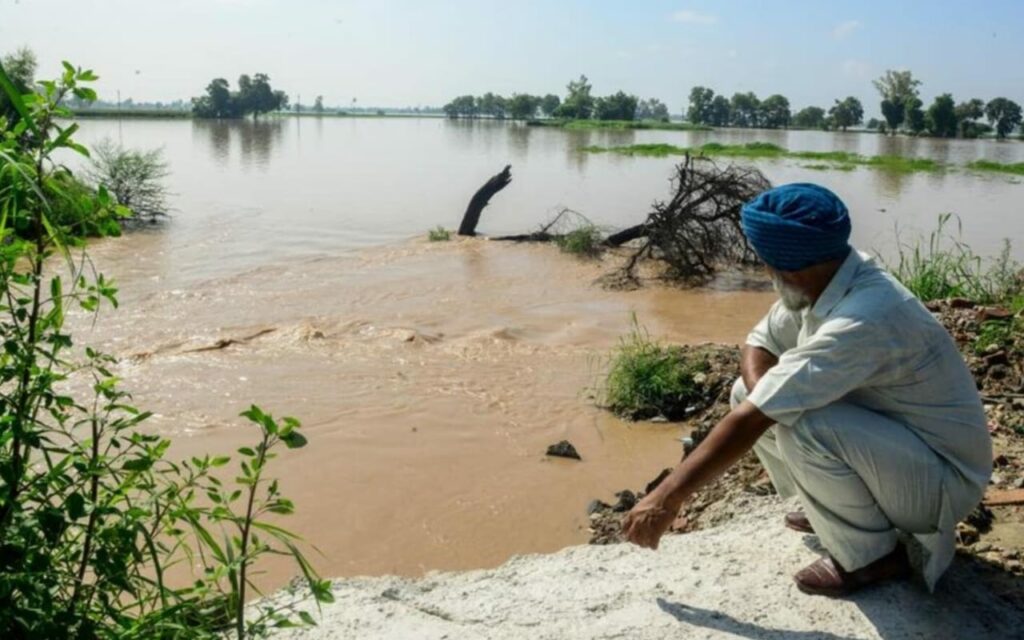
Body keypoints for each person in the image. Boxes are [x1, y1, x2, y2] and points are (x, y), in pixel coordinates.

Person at [620, 183, 992, 597]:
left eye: (766, 263)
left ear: (787, 270)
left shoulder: (865, 317)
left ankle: (872, 557)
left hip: (943, 483)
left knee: (801, 421)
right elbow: (758, 342)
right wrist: (770, 400)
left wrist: (666, 498)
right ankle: (825, 507)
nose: (765, 270)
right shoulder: (831, 274)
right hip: (900, 455)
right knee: (749, 395)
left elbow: (761, 416)